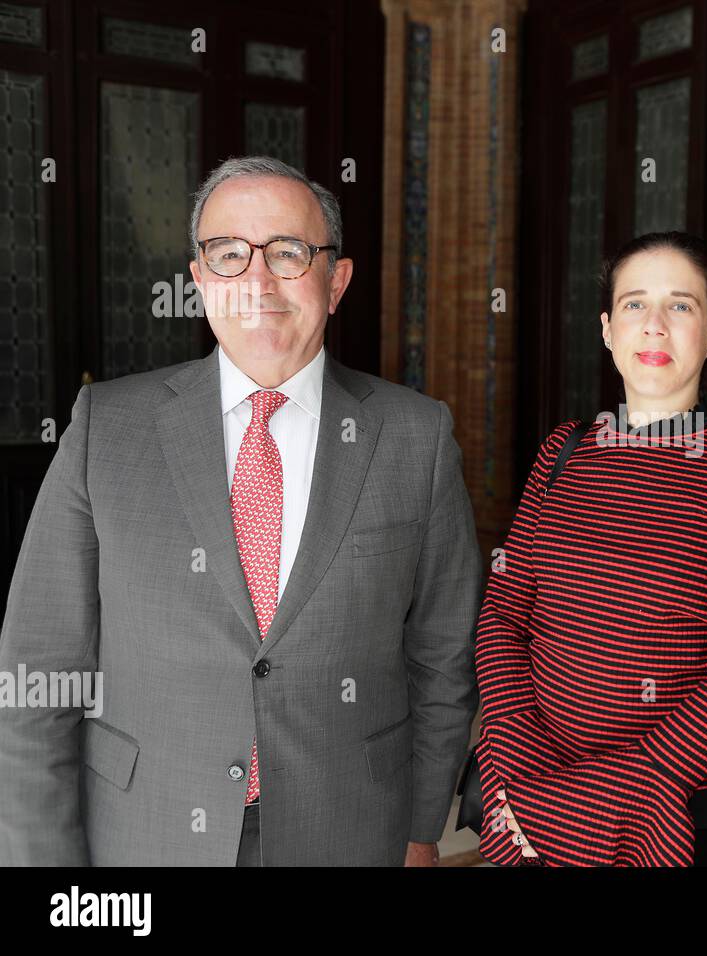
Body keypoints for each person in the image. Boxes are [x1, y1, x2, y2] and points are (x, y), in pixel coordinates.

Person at [0, 156, 482, 866]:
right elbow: (38, 669)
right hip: (145, 833)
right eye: (228, 255)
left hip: (350, 830)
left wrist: (418, 827)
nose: (257, 282)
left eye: (288, 253)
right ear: (199, 281)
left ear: (336, 280)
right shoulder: (107, 427)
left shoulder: (416, 436)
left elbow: (444, 655)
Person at [472, 232, 707, 866]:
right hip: (532, 800)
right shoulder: (562, 451)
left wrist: (604, 795)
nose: (654, 326)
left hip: (675, 812)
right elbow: (504, 615)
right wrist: (516, 762)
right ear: (606, 329)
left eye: (680, 306)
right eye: (633, 305)